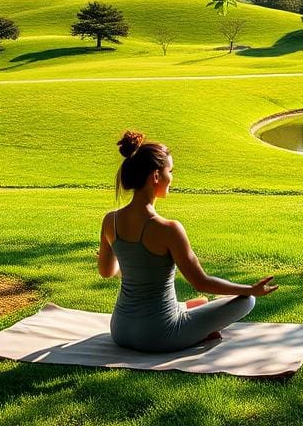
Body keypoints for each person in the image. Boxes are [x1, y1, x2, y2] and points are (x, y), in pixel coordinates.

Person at [97, 130, 278, 352]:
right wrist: (251, 289)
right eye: (170, 171)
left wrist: (122, 259)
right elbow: (200, 281)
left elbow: (107, 271)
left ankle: (194, 315)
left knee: (194, 304)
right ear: (155, 176)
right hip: (159, 336)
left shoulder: (110, 220)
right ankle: (199, 331)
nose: (172, 177)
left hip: (120, 331)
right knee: (247, 301)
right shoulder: (169, 229)